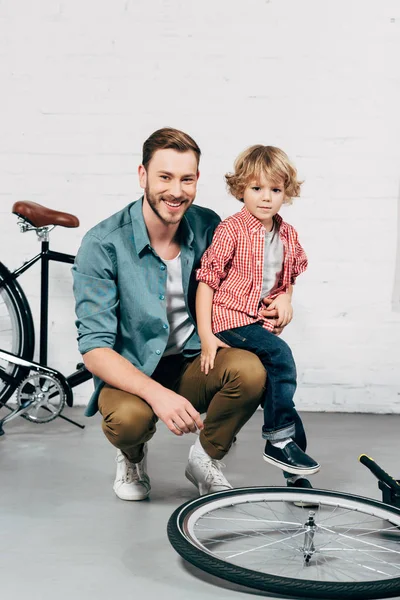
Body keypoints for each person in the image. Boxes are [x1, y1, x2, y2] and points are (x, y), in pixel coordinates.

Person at [72, 127, 273, 502]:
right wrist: (157, 395)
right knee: (129, 421)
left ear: (198, 180)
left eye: (187, 179)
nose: (176, 191)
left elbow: (239, 287)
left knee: (252, 370)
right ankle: (131, 457)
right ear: (142, 175)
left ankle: (205, 458)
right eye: (164, 177)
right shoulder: (102, 244)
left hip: (195, 361)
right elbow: (94, 349)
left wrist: (275, 303)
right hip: (131, 371)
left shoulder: (209, 225)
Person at [196, 144, 320, 489]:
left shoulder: (288, 235)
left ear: (286, 193)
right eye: (256, 188)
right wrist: (207, 336)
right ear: (241, 190)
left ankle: (295, 470)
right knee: (281, 358)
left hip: (259, 322)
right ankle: (279, 441)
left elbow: (287, 281)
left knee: (279, 392)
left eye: (275, 190)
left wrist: (286, 301)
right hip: (231, 318)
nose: (266, 198)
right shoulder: (231, 230)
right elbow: (207, 282)